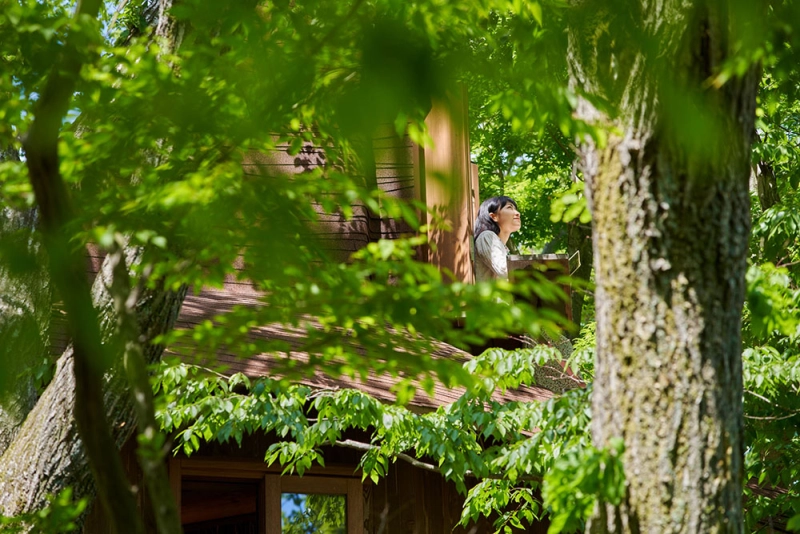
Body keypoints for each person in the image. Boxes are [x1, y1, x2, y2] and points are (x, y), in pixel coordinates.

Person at [473, 196, 521, 281]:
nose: (517, 213)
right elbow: (505, 270)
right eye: (509, 207)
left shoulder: (500, 244)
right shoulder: (487, 237)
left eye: (515, 209)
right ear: (494, 216)